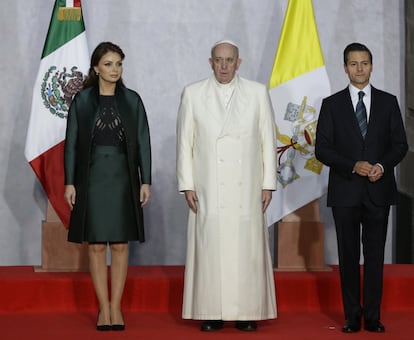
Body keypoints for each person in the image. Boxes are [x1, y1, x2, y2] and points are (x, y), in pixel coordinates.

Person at [176, 40, 277, 332]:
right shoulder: (193, 93)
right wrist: (187, 184)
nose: (223, 66)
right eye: (218, 60)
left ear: (238, 62)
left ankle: (246, 312)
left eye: (229, 60)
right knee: (211, 250)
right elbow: (185, 143)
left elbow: (266, 141)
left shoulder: (258, 93)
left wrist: (268, 183)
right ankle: (212, 311)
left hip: (247, 187)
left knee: (247, 250)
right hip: (208, 186)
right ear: (210, 62)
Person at [315, 42, 407, 333]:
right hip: (345, 191)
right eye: (353, 64)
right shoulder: (331, 105)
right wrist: (353, 165)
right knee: (348, 255)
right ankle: (352, 316)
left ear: (372, 65)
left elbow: (400, 145)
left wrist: (381, 166)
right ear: (345, 68)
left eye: (364, 63)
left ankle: (373, 316)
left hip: (379, 191)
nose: (359, 68)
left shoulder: (389, 102)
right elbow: (322, 149)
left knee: (376, 255)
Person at [64, 42, 151, 331]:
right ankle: (103, 308)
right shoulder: (83, 101)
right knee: (97, 245)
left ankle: (117, 306)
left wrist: (145, 180)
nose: (115, 70)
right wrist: (70, 182)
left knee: (121, 244)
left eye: (119, 64)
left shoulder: (132, 100)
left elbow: (143, 142)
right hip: (91, 179)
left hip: (123, 177)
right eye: (109, 64)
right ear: (96, 68)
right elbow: (72, 145)